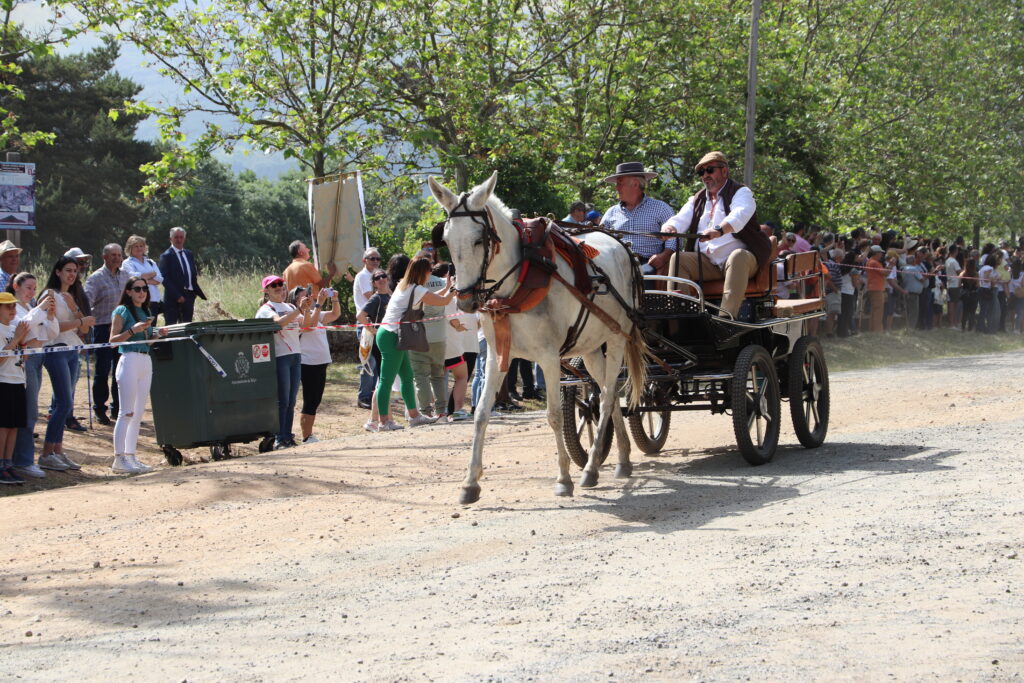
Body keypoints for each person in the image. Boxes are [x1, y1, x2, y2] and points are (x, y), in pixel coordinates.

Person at [663, 152, 772, 317]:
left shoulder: (741, 192)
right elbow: (680, 219)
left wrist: (719, 230)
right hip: (709, 262)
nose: (705, 175)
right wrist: (670, 228)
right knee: (678, 259)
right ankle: (680, 319)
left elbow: (740, 214)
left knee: (737, 256)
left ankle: (726, 320)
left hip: (742, 262)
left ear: (724, 171)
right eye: (702, 172)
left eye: (710, 170)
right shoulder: (698, 198)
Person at [370, 256, 456, 432]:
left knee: (407, 377)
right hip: (392, 336)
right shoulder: (416, 289)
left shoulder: (407, 285)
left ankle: (414, 416)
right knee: (386, 381)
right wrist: (454, 290)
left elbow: (433, 297)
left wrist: (447, 288)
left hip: (391, 334)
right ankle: (383, 421)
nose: (430, 273)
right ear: (423, 272)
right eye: (429, 270)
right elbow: (443, 301)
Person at [38, 257, 95, 472]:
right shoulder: (49, 295)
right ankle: (46, 454)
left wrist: (75, 309)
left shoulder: (72, 296)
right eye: (68, 270)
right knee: (62, 402)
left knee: (67, 403)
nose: (72, 274)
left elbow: (86, 329)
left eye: (75, 271)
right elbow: (51, 326)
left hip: (73, 350)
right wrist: (80, 321)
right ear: (58, 272)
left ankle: (58, 451)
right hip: (56, 350)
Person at [108, 277, 167, 474]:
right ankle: (119, 458)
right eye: (137, 289)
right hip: (129, 359)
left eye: (144, 288)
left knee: (138, 412)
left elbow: (147, 342)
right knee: (126, 412)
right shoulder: (122, 311)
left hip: (145, 359)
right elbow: (113, 341)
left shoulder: (147, 311)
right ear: (129, 291)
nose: (142, 292)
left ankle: (131, 455)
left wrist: (156, 335)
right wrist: (133, 330)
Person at [9, 273, 58, 479]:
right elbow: (23, 328)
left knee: (31, 411)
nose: (31, 292)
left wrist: (51, 315)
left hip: (36, 358)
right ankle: (23, 460)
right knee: (28, 412)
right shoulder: (14, 308)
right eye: (28, 287)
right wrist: (41, 310)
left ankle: (21, 458)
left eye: (33, 288)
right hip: (23, 361)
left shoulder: (30, 308)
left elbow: (50, 334)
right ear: (16, 286)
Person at [256, 275, 313, 449]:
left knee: (291, 400)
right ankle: (279, 437)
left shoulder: (289, 306)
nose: (279, 287)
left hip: (296, 354)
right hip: (280, 355)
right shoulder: (266, 309)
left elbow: (307, 326)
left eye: (281, 284)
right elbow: (279, 323)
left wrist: (308, 309)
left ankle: (287, 435)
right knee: (282, 399)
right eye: (274, 285)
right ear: (266, 290)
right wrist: (299, 310)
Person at [599, 161, 677, 276]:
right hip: (616, 263)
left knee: (642, 278)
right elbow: (601, 238)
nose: (616, 188)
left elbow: (674, 237)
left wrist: (664, 256)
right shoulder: (611, 212)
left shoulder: (660, 208)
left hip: (647, 263)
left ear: (635, 184)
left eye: (620, 183)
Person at [84, 243, 132, 426]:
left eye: (119, 255)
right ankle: (99, 409)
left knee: (121, 371)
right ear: (104, 257)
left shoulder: (126, 275)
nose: (117, 258)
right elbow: (87, 302)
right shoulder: (96, 278)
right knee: (102, 371)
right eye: (113, 255)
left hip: (123, 329)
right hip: (104, 327)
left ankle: (118, 408)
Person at [295, 285, 341, 444]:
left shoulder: (316, 313)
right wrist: (318, 303)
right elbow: (310, 325)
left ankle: (309, 435)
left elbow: (335, 314)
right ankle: (306, 436)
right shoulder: (299, 317)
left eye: (309, 296)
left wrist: (334, 299)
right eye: (303, 297)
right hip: (308, 363)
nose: (308, 299)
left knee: (316, 400)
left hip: (321, 362)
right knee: (310, 400)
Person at [410, 260, 448, 418]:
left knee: (420, 376)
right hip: (439, 335)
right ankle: (441, 411)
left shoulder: (413, 286)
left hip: (418, 334)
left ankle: (425, 412)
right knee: (438, 375)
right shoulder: (442, 282)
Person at [0, 290, 31, 484]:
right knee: (3, 426)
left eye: (14, 305)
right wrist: (16, 339)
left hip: (18, 380)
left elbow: (23, 357)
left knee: (14, 427)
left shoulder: (13, 328)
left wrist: (24, 342)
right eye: (8, 306)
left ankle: (8, 463)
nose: (13, 309)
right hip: (3, 381)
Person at [355, 269, 391, 431]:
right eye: (377, 278)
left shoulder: (390, 296)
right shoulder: (377, 298)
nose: (382, 279)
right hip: (380, 343)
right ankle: (375, 420)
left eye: (384, 276)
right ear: (373, 283)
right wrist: (374, 330)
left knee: (385, 381)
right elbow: (360, 316)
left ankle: (383, 418)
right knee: (384, 380)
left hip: (390, 340)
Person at [352, 247, 382, 410]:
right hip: (366, 323)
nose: (376, 261)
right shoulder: (363, 276)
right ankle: (363, 396)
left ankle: (373, 395)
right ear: (364, 260)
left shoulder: (376, 276)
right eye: (372, 258)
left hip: (376, 322)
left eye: (378, 259)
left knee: (376, 361)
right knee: (368, 362)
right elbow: (370, 297)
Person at [159, 226, 206, 324]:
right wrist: (177, 295)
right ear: (170, 239)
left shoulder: (189, 254)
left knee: (187, 326)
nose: (179, 240)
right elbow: (164, 278)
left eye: (181, 237)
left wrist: (193, 293)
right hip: (173, 297)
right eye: (176, 237)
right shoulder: (166, 256)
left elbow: (192, 274)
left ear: (184, 238)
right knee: (171, 327)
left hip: (189, 296)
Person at [122, 235, 165, 322]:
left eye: (141, 246)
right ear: (130, 248)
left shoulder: (150, 262)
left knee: (152, 329)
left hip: (153, 300)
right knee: (140, 327)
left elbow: (159, 280)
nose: (139, 248)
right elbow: (133, 278)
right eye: (136, 246)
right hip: (138, 301)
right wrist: (152, 274)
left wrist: (142, 278)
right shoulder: (127, 263)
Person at [864, 246, 887, 333]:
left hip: (874, 287)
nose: (881, 255)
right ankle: (877, 330)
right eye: (880, 253)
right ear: (876, 253)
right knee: (878, 310)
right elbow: (885, 273)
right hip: (876, 288)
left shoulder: (870, 261)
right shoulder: (874, 262)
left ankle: (873, 329)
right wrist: (891, 265)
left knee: (875, 309)